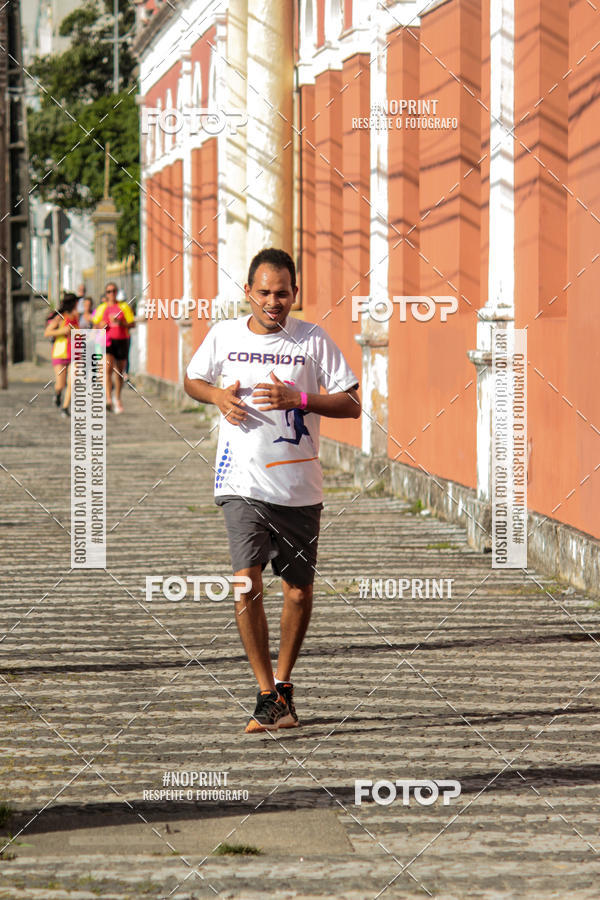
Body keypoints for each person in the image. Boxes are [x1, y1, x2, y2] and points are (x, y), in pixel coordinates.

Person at [184, 248, 361, 733]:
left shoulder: (313, 340)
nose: (273, 301)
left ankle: (284, 686)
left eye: (282, 293)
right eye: (264, 292)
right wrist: (218, 396)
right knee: (246, 581)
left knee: (298, 593)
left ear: (294, 294)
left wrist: (298, 398)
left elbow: (351, 404)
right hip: (239, 481)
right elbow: (193, 380)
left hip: (298, 486)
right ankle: (264, 692)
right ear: (248, 292)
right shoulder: (224, 334)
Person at [92, 282, 135, 413]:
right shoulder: (102, 308)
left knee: (119, 372)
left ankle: (118, 397)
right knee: (107, 369)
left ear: (117, 292)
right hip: (108, 341)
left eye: (113, 291)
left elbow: (132, 324)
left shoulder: (123, 307)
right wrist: (102, 324)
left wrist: (120, 322)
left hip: (122, 341)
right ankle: (108, 399)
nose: (111, 294)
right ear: (106, 294)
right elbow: (95, 324)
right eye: (109, 291)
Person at [44, 293, 79, 418]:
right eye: (76, 302)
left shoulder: (76, 317)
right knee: (61, 384)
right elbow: (47, 332)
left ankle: (65, 407)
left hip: (75, 353)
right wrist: (62, 331)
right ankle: (58, 393)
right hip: (60, 353)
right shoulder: (60, 317)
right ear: (73, 303)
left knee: (73, 381)